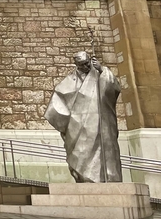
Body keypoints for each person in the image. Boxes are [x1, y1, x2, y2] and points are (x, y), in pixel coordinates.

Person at [45, 50, 122, 183]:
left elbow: (112, 87)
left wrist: (102, 69)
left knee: (103, 154)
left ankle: (106, 178)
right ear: (76, 65)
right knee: (81, 156)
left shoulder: (100, 74)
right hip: (78, 128)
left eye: (87, 63)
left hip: (100, 124)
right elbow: (58, 101)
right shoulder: (70, 80)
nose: (86, 67)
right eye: (81, 65)